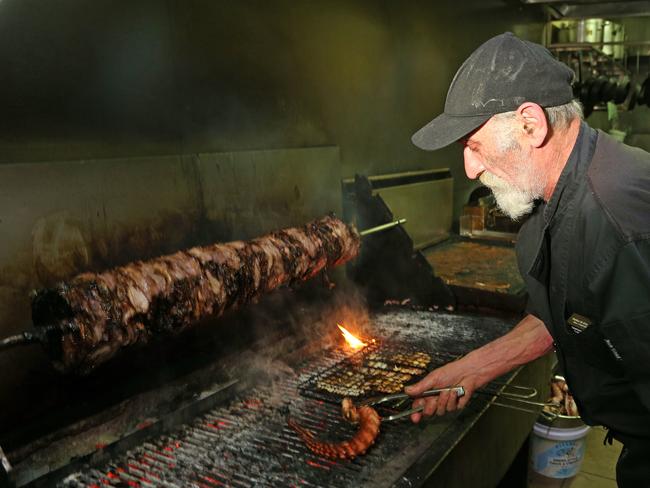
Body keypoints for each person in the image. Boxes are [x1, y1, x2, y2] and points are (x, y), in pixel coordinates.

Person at [408, 32, 650, 487]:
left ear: (530, 125)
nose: (470, 170)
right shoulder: (560, 193)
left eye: (473, 145)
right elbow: (562, 314)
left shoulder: (618, 227)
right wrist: (472, 369)